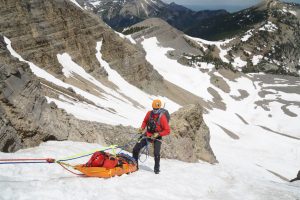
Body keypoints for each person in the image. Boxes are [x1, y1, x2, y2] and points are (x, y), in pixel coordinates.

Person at [132, 99, 170, 174]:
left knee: (156, 153)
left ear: (159, 108)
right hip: (148, 134)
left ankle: (156, 170)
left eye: (156, 109)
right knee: (135, 148)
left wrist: (158, 134)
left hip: (157, 137)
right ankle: (134, 165)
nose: (155, 110)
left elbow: (167, 130)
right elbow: (145, 121)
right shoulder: (149, 113)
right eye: (154, 109)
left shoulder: (162, 117)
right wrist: (142, 128)